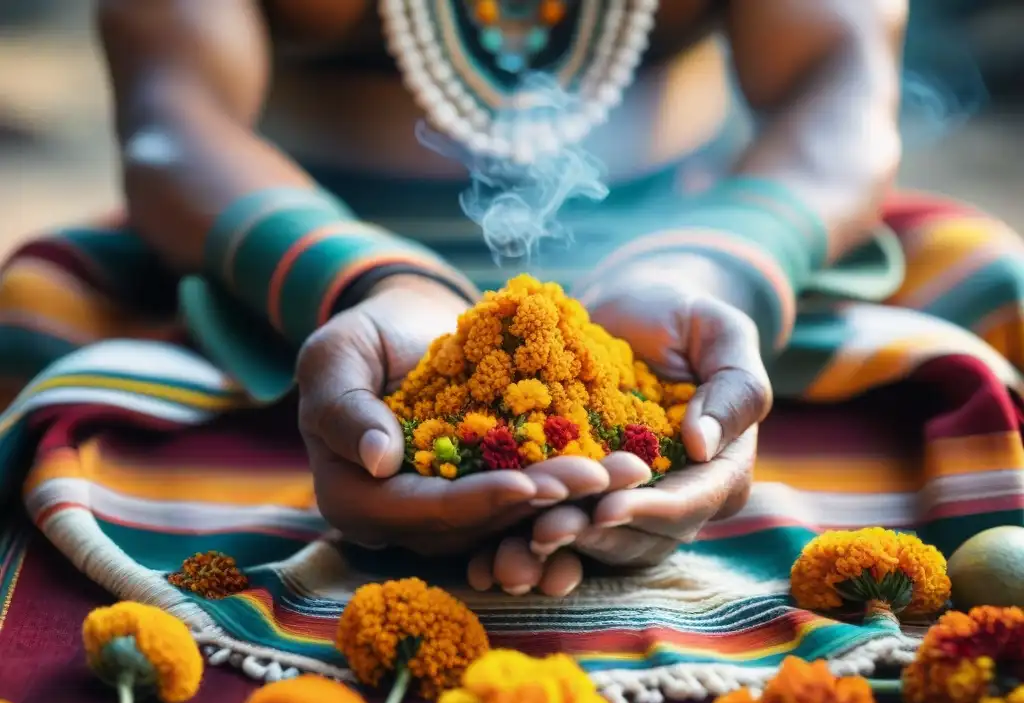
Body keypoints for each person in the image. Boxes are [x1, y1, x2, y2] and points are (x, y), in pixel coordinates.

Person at [2, 0, 1020, 601]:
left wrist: (719, 271)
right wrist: (362, 285)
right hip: (276, 261)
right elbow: (171, 119)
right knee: (38, 315)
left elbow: (838, 92)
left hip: (714, 254)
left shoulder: (712, 271)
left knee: (991, 283)